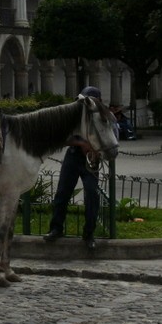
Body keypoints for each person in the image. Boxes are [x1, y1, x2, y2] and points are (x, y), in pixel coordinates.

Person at [44, 86, 107, 251]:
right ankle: (56, 228)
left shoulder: (102, 117)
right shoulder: (73, 116)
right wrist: (81, 143)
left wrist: (95, 149)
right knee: (62, 192)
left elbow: (111, 135)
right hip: (73, 156)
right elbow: (63, 137)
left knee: (92, 194)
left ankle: (89, 234)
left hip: (92, 159)